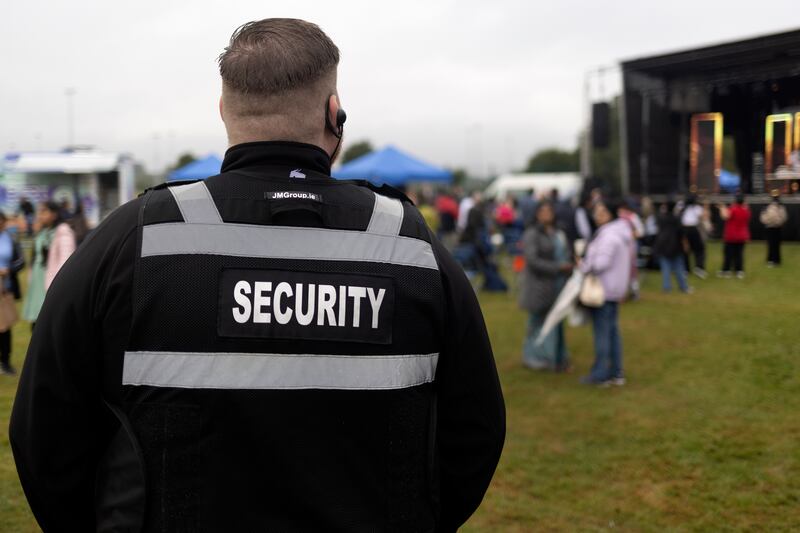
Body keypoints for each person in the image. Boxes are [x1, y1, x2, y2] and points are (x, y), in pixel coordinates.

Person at [10, 18, 505, 532]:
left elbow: (44, 430)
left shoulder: (135, 239)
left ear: (224, 111)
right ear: (335, 114)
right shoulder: (408, 243)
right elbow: (474, 431)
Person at [578, 198, 633, 386]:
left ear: (611, 214)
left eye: (602, 212)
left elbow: (601, 264)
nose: (597, 216)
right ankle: (616, 372)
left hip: (603, 291)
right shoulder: (620, 233)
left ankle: (601, 374)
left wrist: (584, 265)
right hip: (614, 290)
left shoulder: (608, 236)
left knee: (603, 334)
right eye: (596, 212)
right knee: (612, 333)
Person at [519, 201, 573, 371]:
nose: (546, 214)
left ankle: (557, 358)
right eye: (542, 211)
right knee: (538, 323)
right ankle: (536, 358)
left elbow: (565, 252)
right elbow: (533, 261)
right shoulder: (532, 234)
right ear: (536, 214)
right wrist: (558, 267)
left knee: (555, 321)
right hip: (539, 286)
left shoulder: (557, 232)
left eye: (549, 210)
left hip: (558, 284)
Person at [21, 201, 75, 327]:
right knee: (36, 324)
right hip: (38, 282)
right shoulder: (43, 231)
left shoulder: (63, 232)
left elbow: (66, 263)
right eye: (39, 212)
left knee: (47, 324)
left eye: (44, 211)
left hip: (51, 283)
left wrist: (57, 286)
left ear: (54, 214)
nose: (40, 215)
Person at [0, 211, 25, 374]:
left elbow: (22, 261)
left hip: (5, 290)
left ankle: (5, 362)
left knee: (5, 327)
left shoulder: (11, 239)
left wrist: (9, 270)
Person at [654, 200, 690, 293]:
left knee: (665, 267)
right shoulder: (677, 218)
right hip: (675, 244)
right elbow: (681, 232)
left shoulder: (660, 218)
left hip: (662, 244)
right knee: (679, 267)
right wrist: (684, 243)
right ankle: (683, 287)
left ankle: (666, 287)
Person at [717, 194, 751, 279]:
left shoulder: (733, 209)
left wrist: (722, 207)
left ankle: (726, 271)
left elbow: (725, 216)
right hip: (741, 236)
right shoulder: (746, 210)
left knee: (728, 254)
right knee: (739, 254)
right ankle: (739, 271)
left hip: (731, 236)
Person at [680, 194, 708, 279]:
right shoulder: (696, 208)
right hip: (692, 229)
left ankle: (686, 269)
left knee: (685, 249)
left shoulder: (681, 205)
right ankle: (699, 268)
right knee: (699, 249)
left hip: (683, 229)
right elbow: (704, 217)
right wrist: (705, 206)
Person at [759, 190, 787, 266]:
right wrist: (769, 222)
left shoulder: (780, 206)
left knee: (776, 245)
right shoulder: (768, 206)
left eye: (776, 197)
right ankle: (770, 260)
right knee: (771, 244)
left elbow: (784, 217)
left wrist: (778, 222)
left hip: (776, 227)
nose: (775, 198)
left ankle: (777, 260)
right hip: (770, 228)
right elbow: (763, 218)